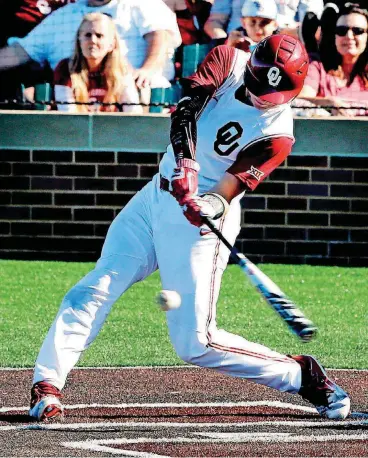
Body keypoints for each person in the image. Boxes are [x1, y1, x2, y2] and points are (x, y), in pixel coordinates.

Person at [28, 34, 350, 423]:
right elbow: (185, 110)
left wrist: (209, 203)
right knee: (94, 288)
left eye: (272, 95)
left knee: (196, 344)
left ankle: (300, 375)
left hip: (199, 226)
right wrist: (186, 164)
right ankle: (47, 385)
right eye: (258, 86)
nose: (261, 98)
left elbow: (229, 188)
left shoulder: (278, 136)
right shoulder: (228, 60)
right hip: (153, 201)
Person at [0, 0, 182, 94]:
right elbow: (21, 51)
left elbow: (161, 36)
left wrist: (147, 70)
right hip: (73, 102)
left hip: (135, 99)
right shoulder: (63, 15)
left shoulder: (142, 4)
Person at [54, 12, 142, 113]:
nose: (93, 40)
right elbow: (67, 115)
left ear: (111, 44)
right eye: (88, 35)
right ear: (79, 40)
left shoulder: (122, 68)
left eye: (99, 36)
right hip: (77, 127)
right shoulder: (65, 68)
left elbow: (133, 112)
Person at [297, 3, 368, 116]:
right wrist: (328, 103)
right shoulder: (318, 66)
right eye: (341, 30)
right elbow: (299, 101)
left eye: (358, 30)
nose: (349, 36)